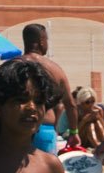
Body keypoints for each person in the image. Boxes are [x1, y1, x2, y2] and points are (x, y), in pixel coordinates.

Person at [14, 25, 71, 153]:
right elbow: (70, 104)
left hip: (15, 128)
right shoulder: (54, 68)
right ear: (41, 41)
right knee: (46, 170)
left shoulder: (12, 66)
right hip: (44, 128)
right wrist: (74, 132)